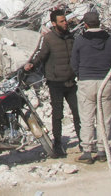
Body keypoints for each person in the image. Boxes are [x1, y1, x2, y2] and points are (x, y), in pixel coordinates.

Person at [25, 9, 81, 157]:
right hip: (56, 82)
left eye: (65, 20)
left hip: (70, 81)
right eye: (62, 21)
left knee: (77, 112)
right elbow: (42, 55)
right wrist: (31, 65)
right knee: (58, 114)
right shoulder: (49, 39)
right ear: (54, 23)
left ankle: (83, 141)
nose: (65, 23)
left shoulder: (71, 37)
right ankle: (57, 144)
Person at [71, 10, 111, 164]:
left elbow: (74, 62)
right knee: (103, 119)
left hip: (86, 81)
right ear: (100, 22)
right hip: (105, 81)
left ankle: (86, 150)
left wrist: (81, 74)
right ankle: (102, 149)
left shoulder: (80, 40)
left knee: (86, 118)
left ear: (85, 24)